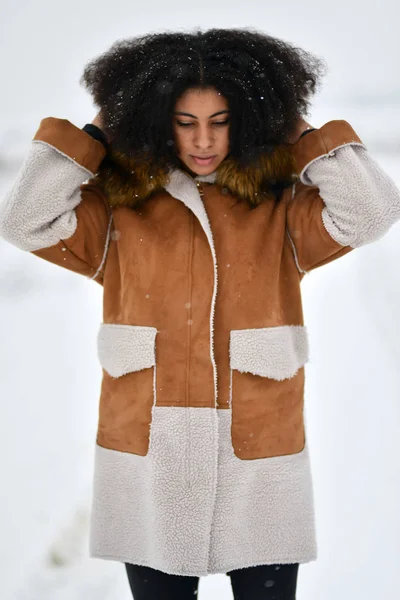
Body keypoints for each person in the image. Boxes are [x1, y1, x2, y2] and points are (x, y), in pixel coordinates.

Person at [1, 27, 400, 600]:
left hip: (259, 457)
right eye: (185, 122)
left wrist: (294, 125)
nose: (204, 140)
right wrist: (99, 131)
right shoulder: (119, 206)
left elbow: (373, 210)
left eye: (222, 119)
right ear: (159, 120)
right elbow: (22, 221)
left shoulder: (281, 206)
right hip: (149, 458)